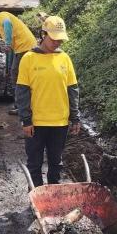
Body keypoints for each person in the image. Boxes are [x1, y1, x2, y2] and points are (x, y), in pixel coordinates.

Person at [16, 16, 80, 187]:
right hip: (36, 123)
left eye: (60, 39)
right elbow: (22, 92)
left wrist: (75, 118)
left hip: (60, 123)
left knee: (56, 164)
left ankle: (54, 195)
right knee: (34, 164)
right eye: (53, 38)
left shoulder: (64, 58)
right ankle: (35, 196)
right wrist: (26, 120)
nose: (57, 42)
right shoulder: (29, 58)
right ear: (43, 34)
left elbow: (72, 89)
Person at [0, 8, 38, 114]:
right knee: (16, 73)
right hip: (23, 47)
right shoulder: (0, 24)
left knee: (16, 75)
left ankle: (21, 106)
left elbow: (7, 24)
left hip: (25, 47)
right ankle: (23, 104)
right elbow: (11, 50)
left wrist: (7, 43)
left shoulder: (1, 16)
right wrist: (7, 68)